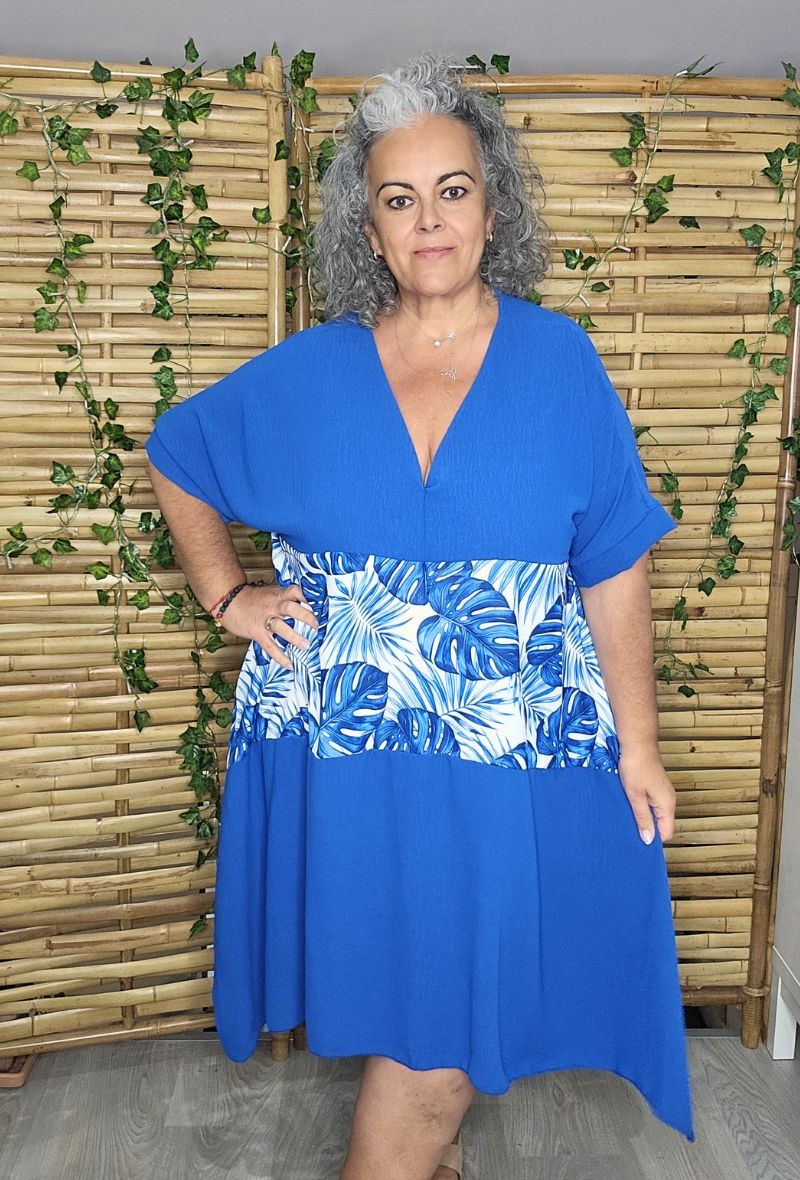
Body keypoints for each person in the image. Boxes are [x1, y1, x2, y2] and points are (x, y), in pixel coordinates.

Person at [144, 47, 695, 1180]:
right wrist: (228, 595)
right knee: (417, 1010)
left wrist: (638, 745)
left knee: (440, 1025)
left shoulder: (561, 364)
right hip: (344, 754)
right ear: (369, 228)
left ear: (493, 209)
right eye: (398, 199)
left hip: (508, 756)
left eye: (451, 190)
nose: (428, 219)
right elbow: (177, 454)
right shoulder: (309, 373)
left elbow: (612, 564)